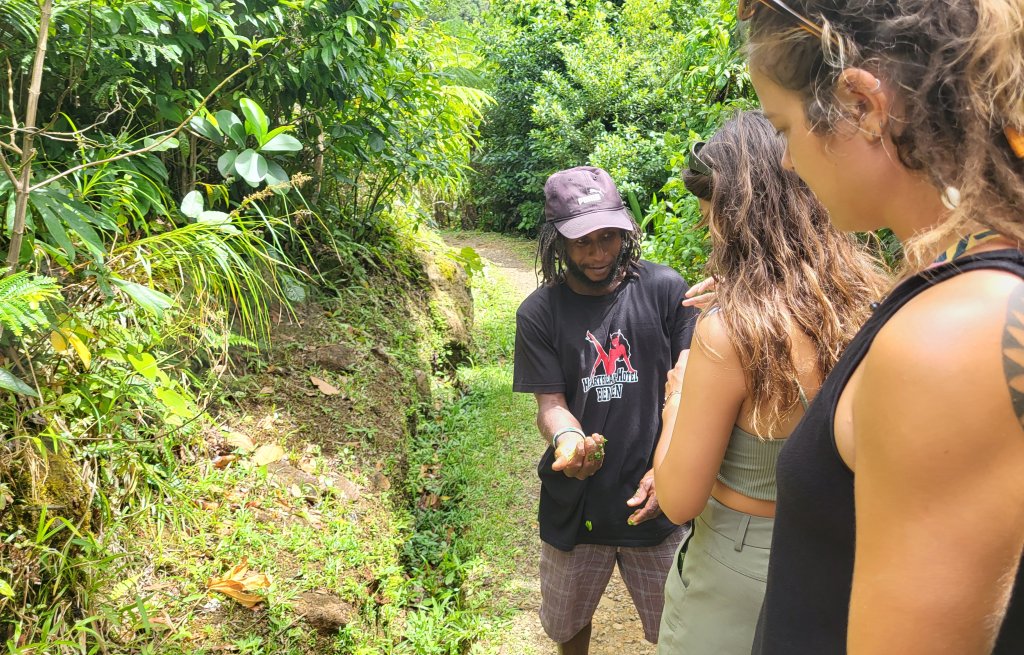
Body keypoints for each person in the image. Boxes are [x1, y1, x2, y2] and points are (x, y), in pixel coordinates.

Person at [740, 0, 1024, 652]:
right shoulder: (962, 289)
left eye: (783, 129)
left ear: (864, 108)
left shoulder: (953, 335)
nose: (785, 162)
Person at [650, 111, 886, 654]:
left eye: (710, 212)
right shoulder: (870, 303)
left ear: (735, 214)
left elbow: (679, 499)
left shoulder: (728, 335)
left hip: (740, 569)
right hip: (842, 553)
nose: (707, 228)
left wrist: (677, 396)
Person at [513, 165, 698, 653]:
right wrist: (568, 440)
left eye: (608, 237)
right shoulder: (539, 313)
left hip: (656, 501)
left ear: (623, 232)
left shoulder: (666, 291)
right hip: (577, 504)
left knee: (679, 630)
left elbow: (691, 387)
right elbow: (550, 403)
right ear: (557, 242)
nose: (597, 254)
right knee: (568, 626)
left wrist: (667, 467)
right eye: (582, 243)